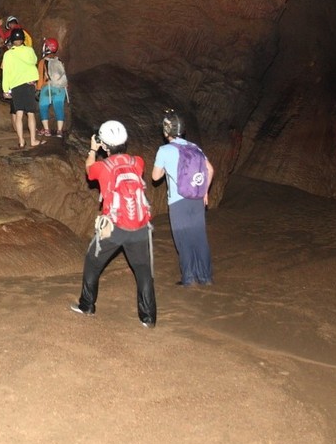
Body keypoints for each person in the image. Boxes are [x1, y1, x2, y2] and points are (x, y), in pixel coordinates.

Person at [71, 120, 156, 327]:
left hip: (114, 227)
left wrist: (93, 149)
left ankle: (87, 305)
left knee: (92, 262)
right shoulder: (138, 162)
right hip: (140, 226)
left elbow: (89, 170)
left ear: (105, 144)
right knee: (143, 270)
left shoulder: (103, 167)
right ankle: (148, 318)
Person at [151, 110, 214, 286]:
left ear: (166, 131)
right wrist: (205, 191)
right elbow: (210, 169)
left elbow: (155, 177)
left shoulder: (164, 150)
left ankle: (189, 277)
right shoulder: (195, 147)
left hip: (178, 201)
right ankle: (205, 276)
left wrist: (165, 168)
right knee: (199, 236)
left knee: (183, 238)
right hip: (197, 198)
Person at [0, 28, 40, 148]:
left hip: (16, 86)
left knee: (19, 114)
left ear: (12, 40)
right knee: (31, 114)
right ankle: (33, 140)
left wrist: (5, 89)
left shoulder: (7, 54)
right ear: (23, 39)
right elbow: (34, 61)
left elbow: (6, 73)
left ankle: (21, 141)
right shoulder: (29, 50)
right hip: (28, 85)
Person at [36, 38, 69, 138]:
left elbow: (40, 77)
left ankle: (47, 130)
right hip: (61, 88)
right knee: (59, 107)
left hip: (48, 87)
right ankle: (59, 131)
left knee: (43, 106)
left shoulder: (43, 62)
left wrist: (38, 89)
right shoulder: (59, 60)